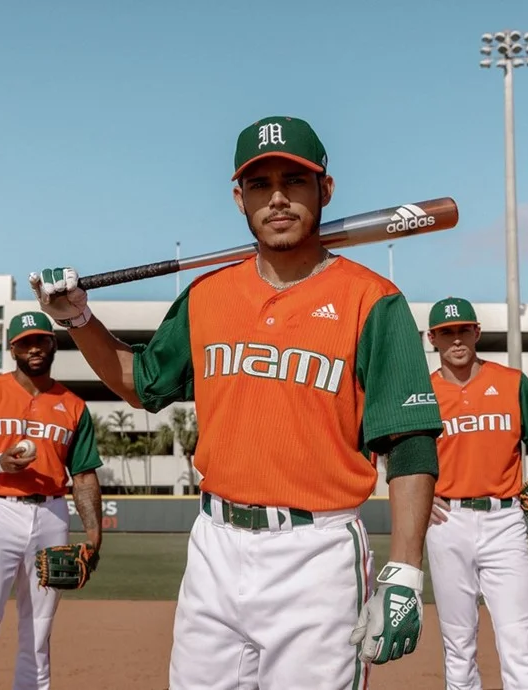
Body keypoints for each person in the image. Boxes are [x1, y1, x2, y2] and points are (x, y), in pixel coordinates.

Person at [28, 115, 443, 689]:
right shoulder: (208, 296)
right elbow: (141, 382)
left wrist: (403, 570)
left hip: (315, 554)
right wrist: (77, 318)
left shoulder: (373, 300)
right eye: (260, 184)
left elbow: (410, 440)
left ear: (325, 190)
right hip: (214, 546)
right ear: (239, 198)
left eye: (295, 182)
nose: (277, 198)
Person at [423, 296, 528, 690]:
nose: (456, 340)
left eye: (463, 330)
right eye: (447, 333)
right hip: (447, 523)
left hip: (505, 521)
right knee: (458, 646)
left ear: (476, 333)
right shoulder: (422, 394)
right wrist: (420, 500)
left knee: (518, 643)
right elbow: (397, 451)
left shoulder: (511, 383)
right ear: (433, 339)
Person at [0, 310, 105, 690]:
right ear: (12, 349)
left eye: (40, 340)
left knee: (39, 627)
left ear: (53, 343)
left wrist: (95, 536)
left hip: (52, 513)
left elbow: (83, 474)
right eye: (24, 343)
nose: (33, 348)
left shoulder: (74, 405)